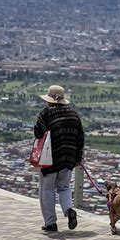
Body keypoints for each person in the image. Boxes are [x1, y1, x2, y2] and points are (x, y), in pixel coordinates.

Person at [34, 85, 85, 232]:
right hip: (68, 159)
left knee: (47, 189)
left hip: (50, 158)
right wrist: (77, 158)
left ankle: (51, 223)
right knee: (64, 187)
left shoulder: (47, 113)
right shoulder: (74, 114)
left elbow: (38, 132)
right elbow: (80, 138)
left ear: (49, 100)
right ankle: (69, 210)